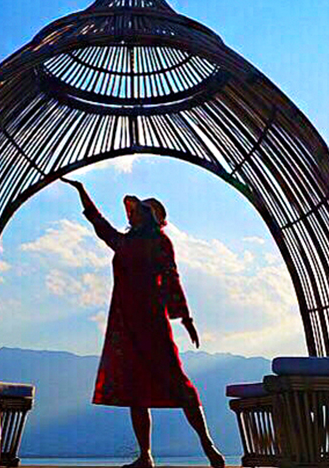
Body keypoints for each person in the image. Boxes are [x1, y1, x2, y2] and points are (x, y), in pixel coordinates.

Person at [60, 176, 226, 468]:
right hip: (126, 324)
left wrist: (185, 317)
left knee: (177, 381)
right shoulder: (124, 243)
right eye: (137, 210)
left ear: (153, 218)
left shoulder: (159, 242)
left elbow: (171, 277)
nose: (135, 214)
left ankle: (207, 445)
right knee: (135, 389)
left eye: (143, 211)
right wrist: (82, 191)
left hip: (152, 321)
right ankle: (145, 455)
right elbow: (99, 224)